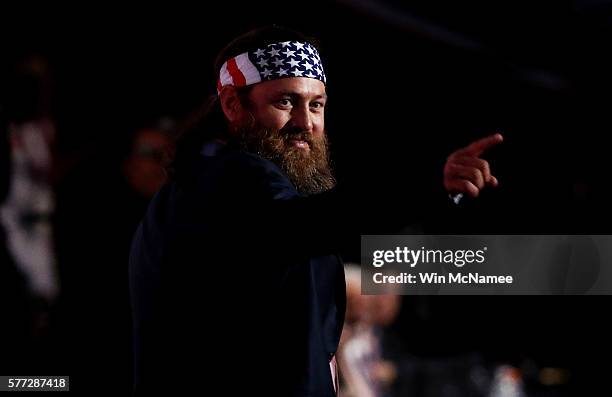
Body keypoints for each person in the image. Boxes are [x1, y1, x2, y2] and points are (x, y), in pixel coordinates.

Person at [129, 25, 502, 396]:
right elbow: (309, 223)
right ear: (231, 104)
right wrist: (429, 185)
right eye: (284, 102)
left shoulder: (194, 184)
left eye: (316, 105)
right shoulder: (233, 177)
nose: (305, 123)